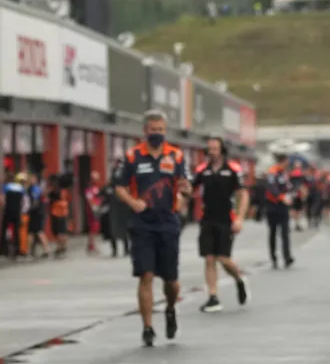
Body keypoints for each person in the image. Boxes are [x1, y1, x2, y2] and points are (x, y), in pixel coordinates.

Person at [114, 110, 192, 347]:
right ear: (145, 131)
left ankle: (170, 308)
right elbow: (119, 186)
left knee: (171, 280)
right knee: (145, 275)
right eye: (152, 130)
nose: (156, 134)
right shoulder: (133, 156)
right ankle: (147, 327)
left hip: (168, 223)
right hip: (141, 225)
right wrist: (132, 201)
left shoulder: (176, 156)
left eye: (160, 130)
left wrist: (186, 191)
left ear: (165, 131)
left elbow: (184, 185)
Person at [191, 137, 250, 312]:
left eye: (215, 149)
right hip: (207, 218)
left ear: (222, 150)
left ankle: (239, 279)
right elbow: (190, 188)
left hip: (226, 219)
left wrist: (240, 217)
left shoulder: (233, 169)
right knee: (209, 258)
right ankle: (213, 297)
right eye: (209, 149)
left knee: (223, 259)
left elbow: (243, 194)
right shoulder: (202, 170)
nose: (212, 152)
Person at [264, 153, 295, 269]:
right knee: (272, 232)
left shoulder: (284, 173)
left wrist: (291, 195)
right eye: (287, 161)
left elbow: (288, 187)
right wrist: (282, 198)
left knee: (285, 233)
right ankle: (273, 258)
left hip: (283, 207)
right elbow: (272, 188)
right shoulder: (273, 172)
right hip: (273, 206)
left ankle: (287, 257)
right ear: (283, 160)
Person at [0, 171, 24, 259]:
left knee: (4, 230)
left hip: (8, 211)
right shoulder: (20, 187)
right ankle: (17, 251)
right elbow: (23, 201)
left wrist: (2, 210)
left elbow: (2, 200)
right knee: (16, 232)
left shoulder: (5, 187)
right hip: (17, 212)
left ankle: (3, 251)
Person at [26, 173, 50, 257]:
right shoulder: (31, 189)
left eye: (32, 179)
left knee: (38, 232)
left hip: (36, 213)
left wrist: (30, 209)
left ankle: (45, 250)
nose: (30, 180)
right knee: (31, 232)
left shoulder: (35, 189)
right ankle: (29, 251)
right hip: (36, 213)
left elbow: (35, 202)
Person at [47, 175, 69, 257]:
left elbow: (49, 199)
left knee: (58, 231)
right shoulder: (63, 190)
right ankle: (63, 246)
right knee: (62, 230)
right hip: (63, 212)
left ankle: (60, 247)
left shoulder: (54, 191)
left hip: (56, 212)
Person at [84, 171, 102, 255]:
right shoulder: (89, 189)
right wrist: (94, 207)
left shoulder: (97, 188)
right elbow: (90, 200)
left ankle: (90, 245)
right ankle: (92, 246)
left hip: (97, 209)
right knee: (92, 228)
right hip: (92, 211)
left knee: (95, 228)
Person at [289, 160, 307, 231]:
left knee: (297, 209)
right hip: (296, 193)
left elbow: (303, 185)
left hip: (297, 194)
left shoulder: (293, 173)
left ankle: (297, 223)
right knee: (295, 209)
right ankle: (296, 223)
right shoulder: (296, 174)